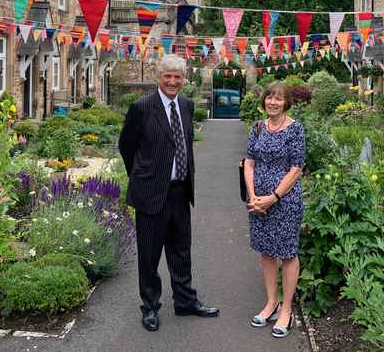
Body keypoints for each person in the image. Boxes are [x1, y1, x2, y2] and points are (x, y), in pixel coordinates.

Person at [118, 54, 219, 332]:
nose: (173, 81)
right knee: (149, 255)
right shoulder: (141, 107)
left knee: (181, 250)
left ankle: (185, 301)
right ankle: (150, 307)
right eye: (168, 76)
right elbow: (126, 147)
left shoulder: (186, 106)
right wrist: (143, 177)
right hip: (150, 193)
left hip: (179, 191)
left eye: (178, 77)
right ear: (158, 77)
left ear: (184, 79)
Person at [243, 81, 305, 338]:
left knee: (287, 253)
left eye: (278, 99)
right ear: (264, 101)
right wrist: (254, 195)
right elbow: (248, 163)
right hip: (258, 202)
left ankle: (286, 310)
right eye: (269, 97)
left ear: (286, 102)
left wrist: (274, 196)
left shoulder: (295, 130)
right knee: (267, 252)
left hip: (285, 201)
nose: (273, 102)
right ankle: (271, 303)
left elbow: (296, 168)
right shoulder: (257, 128)